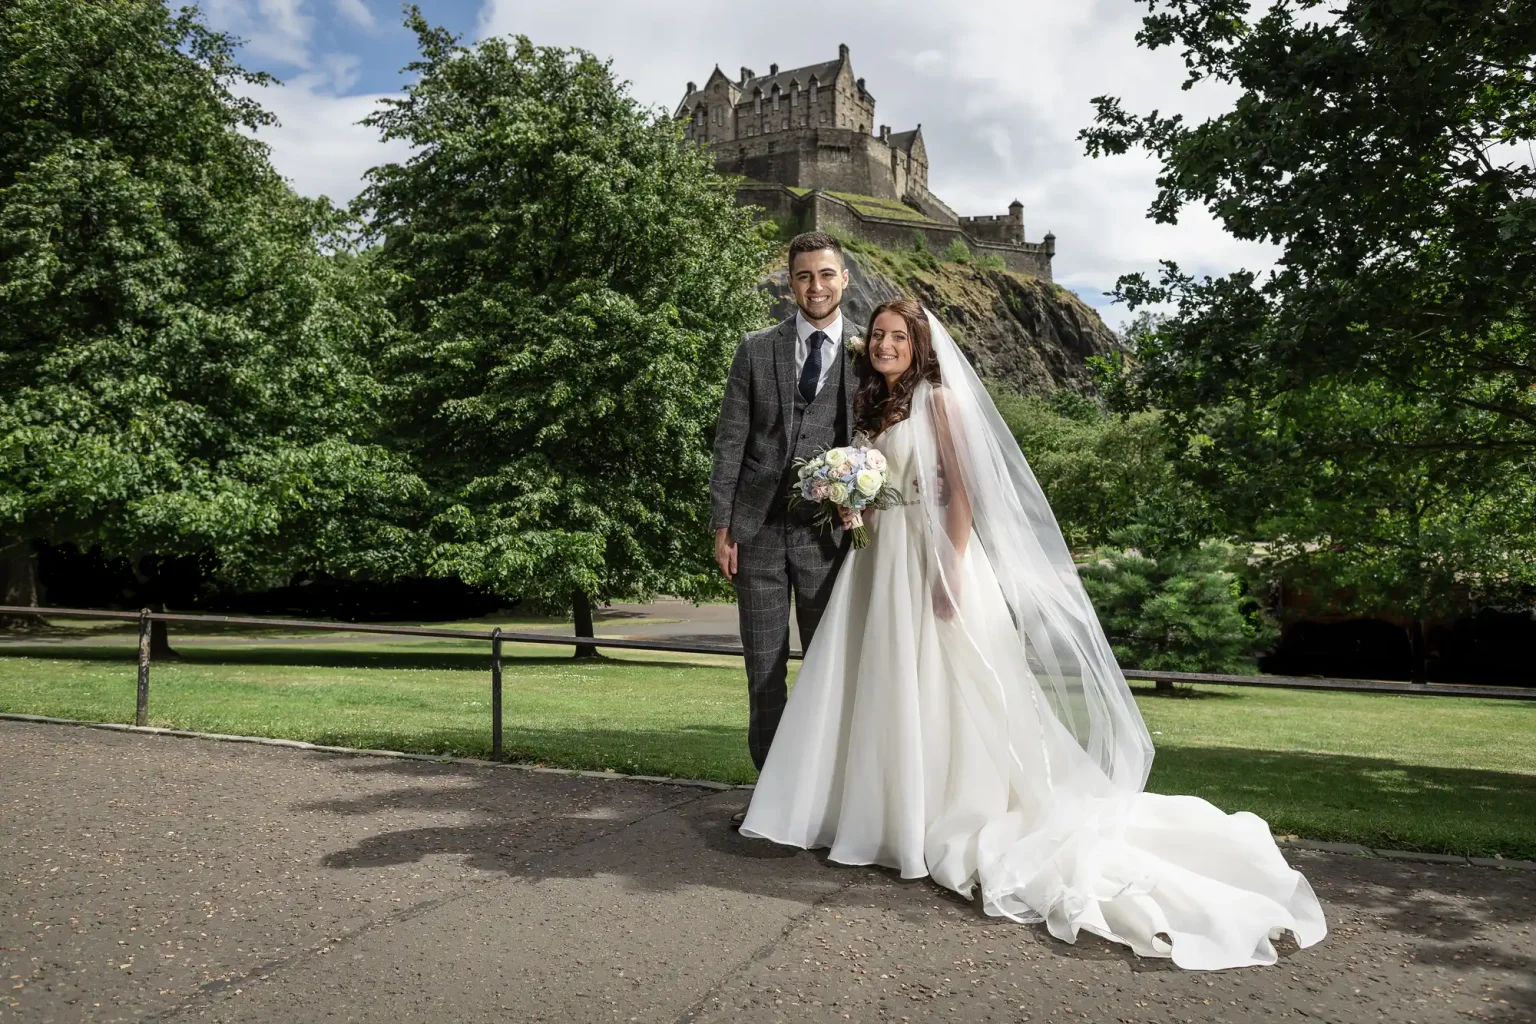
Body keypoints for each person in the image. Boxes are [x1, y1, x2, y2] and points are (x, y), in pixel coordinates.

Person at [739, 298, 1328, 971]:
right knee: (876, 684)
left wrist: (952, 570)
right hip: (878, 562)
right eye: (877, 335)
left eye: (898, 336)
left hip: (931, 558)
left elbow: (961, 494)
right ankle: (876, 810)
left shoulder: (939, 403)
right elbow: (885, 485)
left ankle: (927, 812)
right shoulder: (877, 406)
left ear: (920, 345)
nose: (884, 344)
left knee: (939, 686)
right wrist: (850, 502)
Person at [708, 232, 862, 829]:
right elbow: (730, 443)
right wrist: (724, 526)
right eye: (804, 276)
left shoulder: (863, 352)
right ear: (790, 282)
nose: (815, 286)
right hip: (759, 535)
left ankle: (829, 801)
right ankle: (772, 804)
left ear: (843, 279)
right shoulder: (755, 349)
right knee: (764, 672)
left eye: (826, 275)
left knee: (829, 673)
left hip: (829, 541)